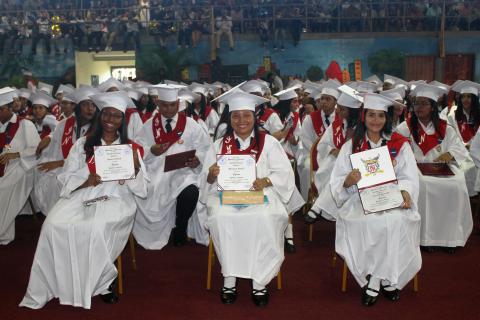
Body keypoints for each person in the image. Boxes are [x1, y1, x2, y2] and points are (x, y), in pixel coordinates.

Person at [20, 91, 148, 309]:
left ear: (122, 120)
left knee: (95, 227)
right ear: (99, 116)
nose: (110, 120)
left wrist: (134, 171)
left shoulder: (131, 149)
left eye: (116, 116)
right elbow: (66, 177)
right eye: (106, 114)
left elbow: (142, 190)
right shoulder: (82, 144)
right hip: (82, 193)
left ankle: (103, 282)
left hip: (117, 197)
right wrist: (85, 180)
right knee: (52, 224)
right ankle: (58, 282)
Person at [203, 91, 294, 307]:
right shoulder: (218, 146)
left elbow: (284, 174)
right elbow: (205, 182)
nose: (241, 121)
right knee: (220, 218)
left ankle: (259, 281)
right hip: (226, 196)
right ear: (230, 119)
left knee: (263, 218)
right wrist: (211, 174)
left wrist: (266, 180)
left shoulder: (269, 142)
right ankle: (230, 278)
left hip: (261, 195)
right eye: (236, 116)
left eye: (246, 115)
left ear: (255, 118)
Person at [332, 93, 421, 306]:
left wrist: (405, 191)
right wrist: (347, 181)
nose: (375, 120)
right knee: (374, 222)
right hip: (359, 199)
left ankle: (376, 279)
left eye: (380, 116)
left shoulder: (400, 144)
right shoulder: (351, 146)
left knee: (395, 221)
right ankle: (386, 279)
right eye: (371, 115)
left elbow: (409, 177)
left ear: (386, 118)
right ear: (364, 117)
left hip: (391, 197)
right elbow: (337, 181)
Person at [396, 84, 473, 253]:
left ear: (432, 107)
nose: (419, 107)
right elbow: (396, 152)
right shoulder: (405, 128)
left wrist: (447, 156)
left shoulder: (446, 128)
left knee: (457, 184)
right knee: (423, 184)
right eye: (416, 103)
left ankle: (451, 237)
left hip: (442, 167)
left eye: (424, 103)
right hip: (416, 169)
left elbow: (458, 149)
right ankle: (425, 237)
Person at [133, 86, 211, 249]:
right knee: (145, 190)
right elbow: (137, 149)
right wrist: (150, 150)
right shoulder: (148, 126)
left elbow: (206, 149)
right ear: (158, 104)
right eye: (164, 105)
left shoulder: (192, 125)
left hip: (184, 172)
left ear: (178, 104)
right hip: (156, 172)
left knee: (191, 191)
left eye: (172, 105)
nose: (168, 109)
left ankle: (180, 226)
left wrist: (198, 160)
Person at [33, 88, 99, 216]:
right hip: (67, 166)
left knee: (59, 181)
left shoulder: (99, 127)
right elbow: (55, 149)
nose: (90, 109)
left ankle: (64, 214)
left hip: (87, 169)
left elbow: (92, 157)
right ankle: (53, 214)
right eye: (86, 105)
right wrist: (53, 160)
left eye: (93, 105)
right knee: (43, 172)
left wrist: (60, 163)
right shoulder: (64, 124)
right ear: (78, 107)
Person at [305, 89, 360, 223]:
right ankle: (319, 207)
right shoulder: (335, 125)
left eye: (342, 110)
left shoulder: (362, 127)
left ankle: (318, 206)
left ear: (352, 111)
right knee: (335, 168)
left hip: (356, 169)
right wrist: (331, 150)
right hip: (335, 167)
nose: (338, 112)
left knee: (339, 169)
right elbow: (322, 145)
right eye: (338, 109)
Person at [0, 87, 40, 244]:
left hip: (22, 166)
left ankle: (3, 233)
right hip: (4, 167)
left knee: (3, 188)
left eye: (1, 109)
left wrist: (15, 155)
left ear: (10, 108)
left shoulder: (25, 125)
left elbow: (35, 148)